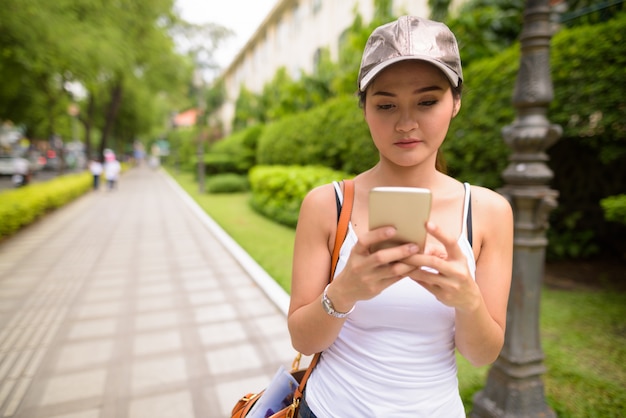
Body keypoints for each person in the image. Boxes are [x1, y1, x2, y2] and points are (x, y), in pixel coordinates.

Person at [288, 16, 513, 417]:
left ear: (455, 102)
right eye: (386, 104)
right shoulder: (327, 205)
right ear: (365, 109)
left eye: (427, 101)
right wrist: (345, 291)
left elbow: (482, 354)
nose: (406, 123)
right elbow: (304, 341)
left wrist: (468, 301)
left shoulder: (488, 212)